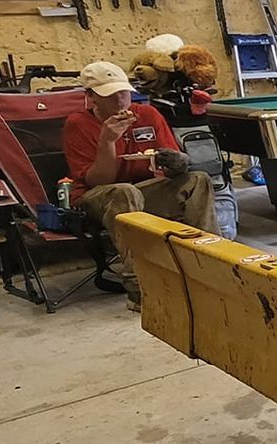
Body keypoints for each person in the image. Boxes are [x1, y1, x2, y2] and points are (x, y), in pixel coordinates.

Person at [63, 60, 218, 309]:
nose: (120, 101)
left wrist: (178, 162)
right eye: (111, 95)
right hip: (99, 196)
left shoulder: (147, 115)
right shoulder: (78, 124)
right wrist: (107, 142)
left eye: (123, 92)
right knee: (125, 192)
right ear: (91, 97)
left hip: (145, 189)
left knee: (197, 181)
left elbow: (171, 165)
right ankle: (139, 285)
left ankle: (209, 267)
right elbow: (97, 180)